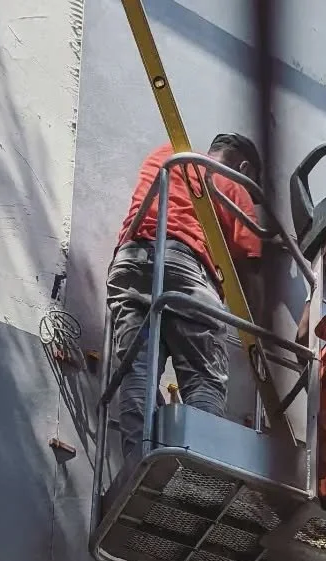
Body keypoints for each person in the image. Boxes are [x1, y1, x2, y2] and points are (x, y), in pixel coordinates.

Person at [106, 132, 265, 462]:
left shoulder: (164, 154)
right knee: (203, 376)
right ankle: (198, 472)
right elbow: (250, 267)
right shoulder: (233, 182)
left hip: (131, 263)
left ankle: (137, 463)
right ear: (244, 167)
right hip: (183, 267)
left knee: (139, 373)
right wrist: (259, 335)